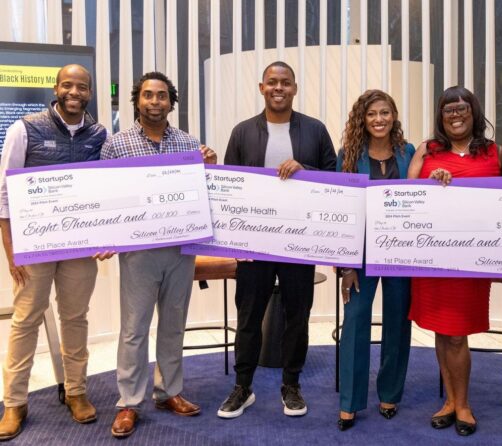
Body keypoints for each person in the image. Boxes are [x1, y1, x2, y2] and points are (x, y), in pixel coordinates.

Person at [101, 71, 217, 438]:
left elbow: (206, 192)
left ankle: (169, 392)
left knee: (173, 323)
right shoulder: (116, 145)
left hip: (181, 248)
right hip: (138, 251)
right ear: (137, 100)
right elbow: (104, 196)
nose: (155, 101)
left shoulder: (189, 143)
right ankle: (129, 402)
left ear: (171, 102)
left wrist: (211, 166)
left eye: (162, 95)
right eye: (148, 95)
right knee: (134, 328)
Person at [218, 61, 336, 419]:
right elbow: (230, 187)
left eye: (285, 82)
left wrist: (306, 170)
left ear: (295, 88)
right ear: (262, 88)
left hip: (300, 241)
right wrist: (234, 242)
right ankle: (243, 387)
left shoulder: (315, 130)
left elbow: (334, 178)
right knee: (248, 315)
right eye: (272, 82)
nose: (279, 88)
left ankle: (292, 385)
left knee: (297, 315)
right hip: (254, 244)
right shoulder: (242, 132)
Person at [0, 64, 109, 441]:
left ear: (90, 92)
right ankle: (15, 402)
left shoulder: (99, 134)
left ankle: (76, 392)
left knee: (75, 317)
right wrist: (11, 251)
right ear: (56, 88)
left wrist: (107, 235)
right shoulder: (25, 129)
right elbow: (4, 193)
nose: (74, 92)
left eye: (82, 87)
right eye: (67, 85)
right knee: (26, 319)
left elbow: (108, 190)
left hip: (79, 244)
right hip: (34, 244)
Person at [406, 86, 500, 437]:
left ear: (474, 112)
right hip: (432, 258)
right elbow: (405, 197)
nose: (456, 115)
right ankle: (450, 400)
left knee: (457, 335)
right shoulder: (426, 150)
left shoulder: (495, 151)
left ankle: (463, 404)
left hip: (471, 260)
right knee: (443, 332)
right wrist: (430, 185)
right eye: (449, 110)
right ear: (440, 116)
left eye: (462, 109)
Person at [335, 90, 414, 431]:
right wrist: (346, 266)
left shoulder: (408, 153)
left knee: (398, 322)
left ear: (394, 116)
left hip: (400, 253)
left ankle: (390, 393)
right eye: (371, 114)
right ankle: (349, 402)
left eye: (385, 112)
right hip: (361, 254)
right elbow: (341, 210)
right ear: (362, 119)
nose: (379, 119)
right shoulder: (348, 155)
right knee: (354, 322)